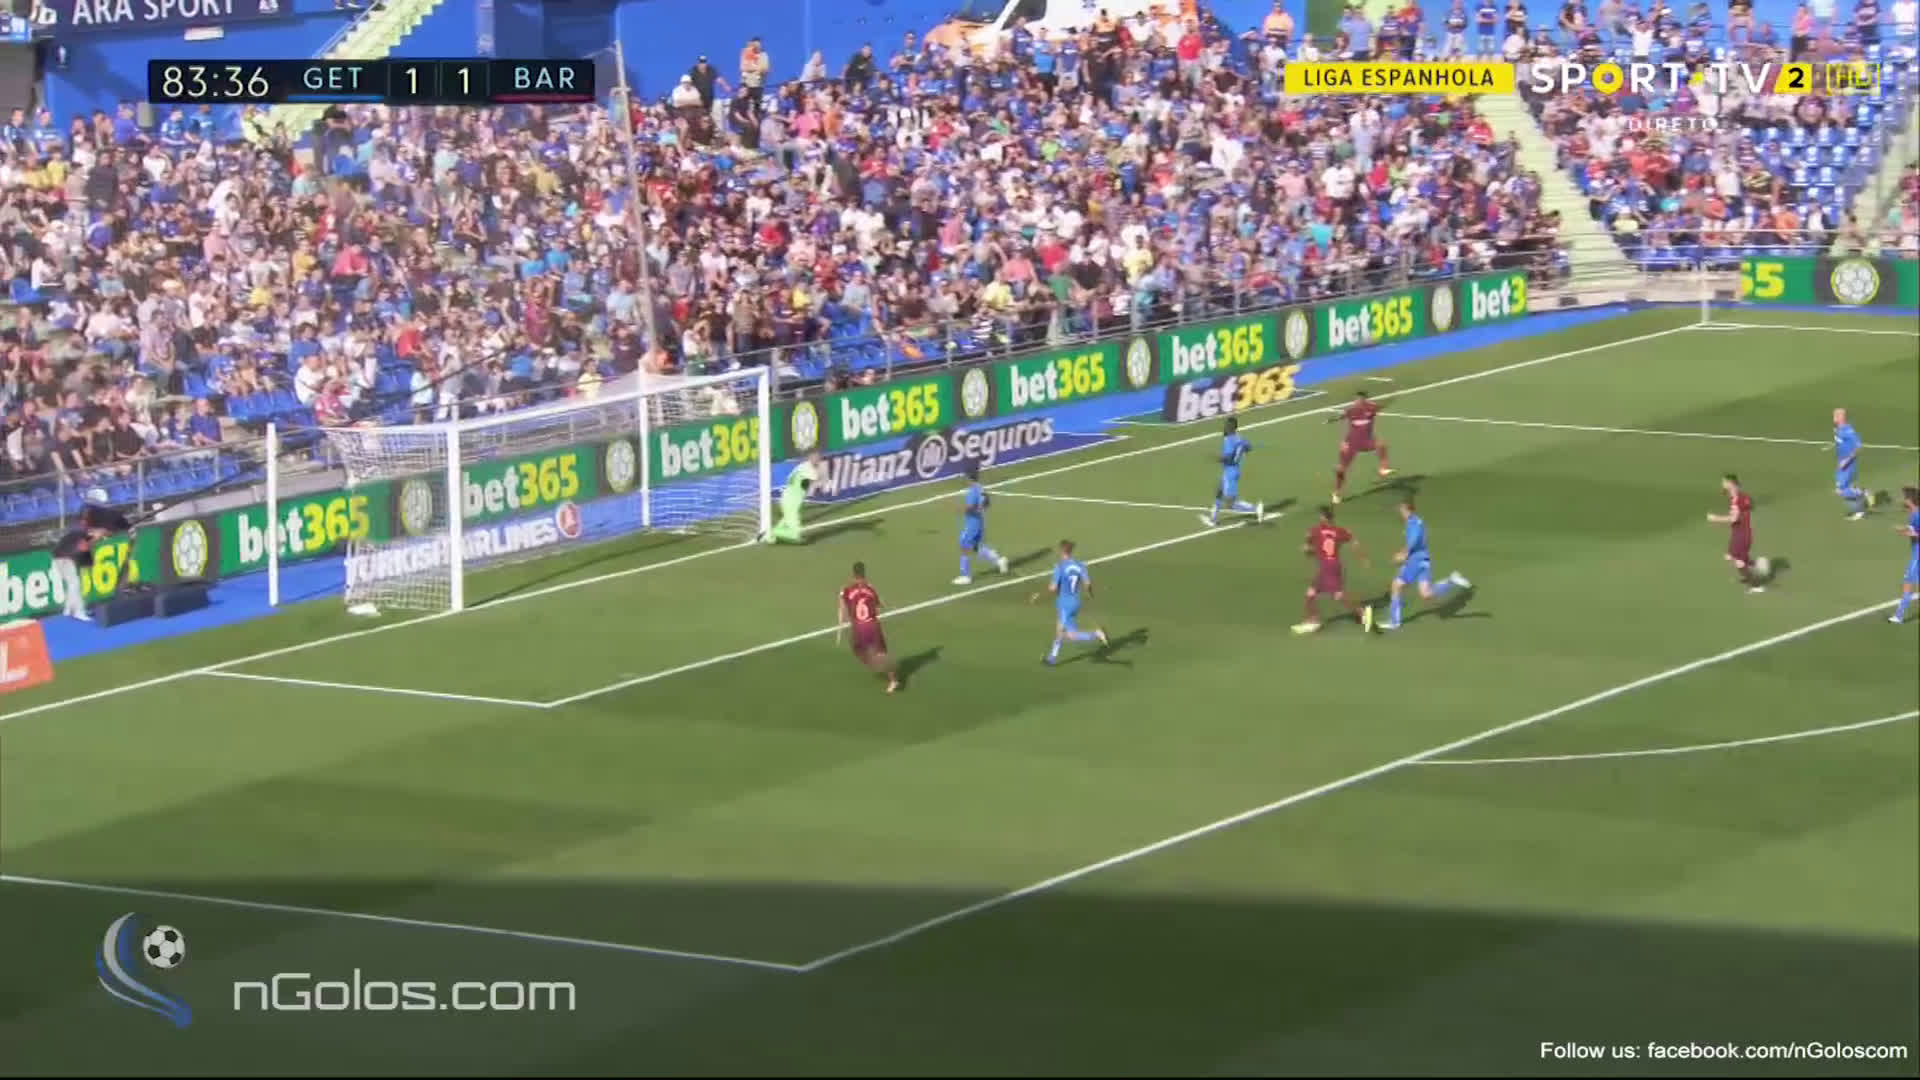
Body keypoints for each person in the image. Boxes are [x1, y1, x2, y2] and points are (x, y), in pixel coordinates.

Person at [1382, 498, 1472, 631]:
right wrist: (1403, 553)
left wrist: (1402, 555)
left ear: (1408, 510)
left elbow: (1412, 543)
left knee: (1396, 585)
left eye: (1402, 510)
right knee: (1426, 593)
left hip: (1415, 561)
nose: (1400, 513)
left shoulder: (1413, 524)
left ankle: (1394, 622)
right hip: (1424, 560)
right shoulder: (1417, 522)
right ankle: (1451, 580)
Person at [50, 489, 134, 622]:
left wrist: (102, 534)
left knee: (74, 582)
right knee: (74, 583)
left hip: (65, 556)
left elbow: (95, 535)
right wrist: (100, 535)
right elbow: (87, 541)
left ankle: (68, 610)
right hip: (64, 557)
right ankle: (78, 612)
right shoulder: (80, 529)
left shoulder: (83, 525)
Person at [1294, 505, 1373, 634]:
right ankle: (1314, 620)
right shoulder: (1339, 530)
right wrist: (1363, 558)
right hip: (1333, 565)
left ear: (1322, 517)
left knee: (1338, 595)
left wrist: (1307, 549)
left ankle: (1363, 613)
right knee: (1310, 593)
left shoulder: (1315, 530)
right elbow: (1354, 542)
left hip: (1327, 567)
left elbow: (1307, 547)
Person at [1032, 540, 1108, 665]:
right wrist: (1090, 593)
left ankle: (1096, 634)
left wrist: (1039, 596)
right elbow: (1087, 584)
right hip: (1075, 602)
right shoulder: (1080, 565)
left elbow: (1053, 588)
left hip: (1064, 604)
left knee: (1068, 635)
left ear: (1061, 551)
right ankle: (1052, 658)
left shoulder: (1060, 567)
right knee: (1059, 629)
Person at [837, 561, 900, 692]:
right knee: (881, 652)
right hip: (872, 626)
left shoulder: (847, 589)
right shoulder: (870, 588)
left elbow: (842, 607)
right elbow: (880, 605)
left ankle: (880, 667)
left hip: (858, 628)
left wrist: (841, 624)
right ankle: (892, 679)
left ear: (853, 574)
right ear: (864, 573)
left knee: (857, 649)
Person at [1330, 390, 1394, 505]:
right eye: (1356, 400)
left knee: (1381, 444)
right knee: (1340, 470)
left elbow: (1382, 405)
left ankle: (1383, 469)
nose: (1357, 402)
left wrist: (1389, 399)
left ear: (1365, 400)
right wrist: (1333, 420)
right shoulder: (1351, 411)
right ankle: (1336, 493)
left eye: (1360, 400)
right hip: (1351, 444)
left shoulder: (1371, 408)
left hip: (1366, 442)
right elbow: (1342, 417)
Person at [1707, 473, 1766, 593]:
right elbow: (1750, 505)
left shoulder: (1736, 500)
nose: (1722, 484)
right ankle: (1755, 566)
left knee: (1738, 562)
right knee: (1731, 557)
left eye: (1724, 482)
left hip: (1741, 535)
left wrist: (1715, 518)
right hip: (1741, 533)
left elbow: (1733, 519)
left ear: (1730, 483)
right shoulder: (1742, 496)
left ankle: (1756, 585)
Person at [954, 462, 1009, 586]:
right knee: (976, 546)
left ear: (968, 476)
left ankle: (965, 576)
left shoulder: (972, 490)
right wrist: (979, 508)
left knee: (964, 544)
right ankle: (999, 561)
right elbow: (987, 503)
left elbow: (970, 507)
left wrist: (961, 509)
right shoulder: (980, 488)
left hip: (973, 523)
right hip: (979, 521)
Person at [1205, 417, 1263, 527]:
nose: (1225, 427)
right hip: (1234, 470)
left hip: (1230, 472)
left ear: (1232, 427)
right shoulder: (1239, 438)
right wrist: (1243, 450)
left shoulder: (1229, 440)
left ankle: (1256, 509)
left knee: (1231, 504)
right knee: (1219, 491)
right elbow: (1249, 446)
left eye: (1227, 425)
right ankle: (1213, 519)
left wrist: (1217, 458)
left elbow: (1229, 458)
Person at [1832, 407, 1878, 519]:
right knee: (1843, 489)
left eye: (1835, 416)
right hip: (1841, 463)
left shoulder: (1848, 431)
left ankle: (1865, 493)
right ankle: (1859, 511)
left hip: (1848, 464)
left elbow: (1859, 446)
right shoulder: (1838, 429)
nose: (1833, 418)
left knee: (1841, 490)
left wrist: (1846, 460)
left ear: (1840, 417)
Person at [767, 452, 820, 544]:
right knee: (795, 533)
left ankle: (771, 537)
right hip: (791, 499)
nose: (818, 459)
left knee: (787, 519)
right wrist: (818, 469)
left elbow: (792, 478)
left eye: (818, 457)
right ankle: (773, 533)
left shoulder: (802, 466)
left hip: (791, 497)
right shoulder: (807, 468)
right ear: (810, 457)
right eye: (816, 457)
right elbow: (815, 477)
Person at [1892, 487, 1918, 625]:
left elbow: (1916, 533)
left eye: (1904, 497)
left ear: (1909, 500)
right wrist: (1904, 529)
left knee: (1908, 582)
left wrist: (1904, 533)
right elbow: (1914, 529)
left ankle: (1899, 615)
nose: (1902, 499)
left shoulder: (1917, 514)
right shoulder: (1913, 514)